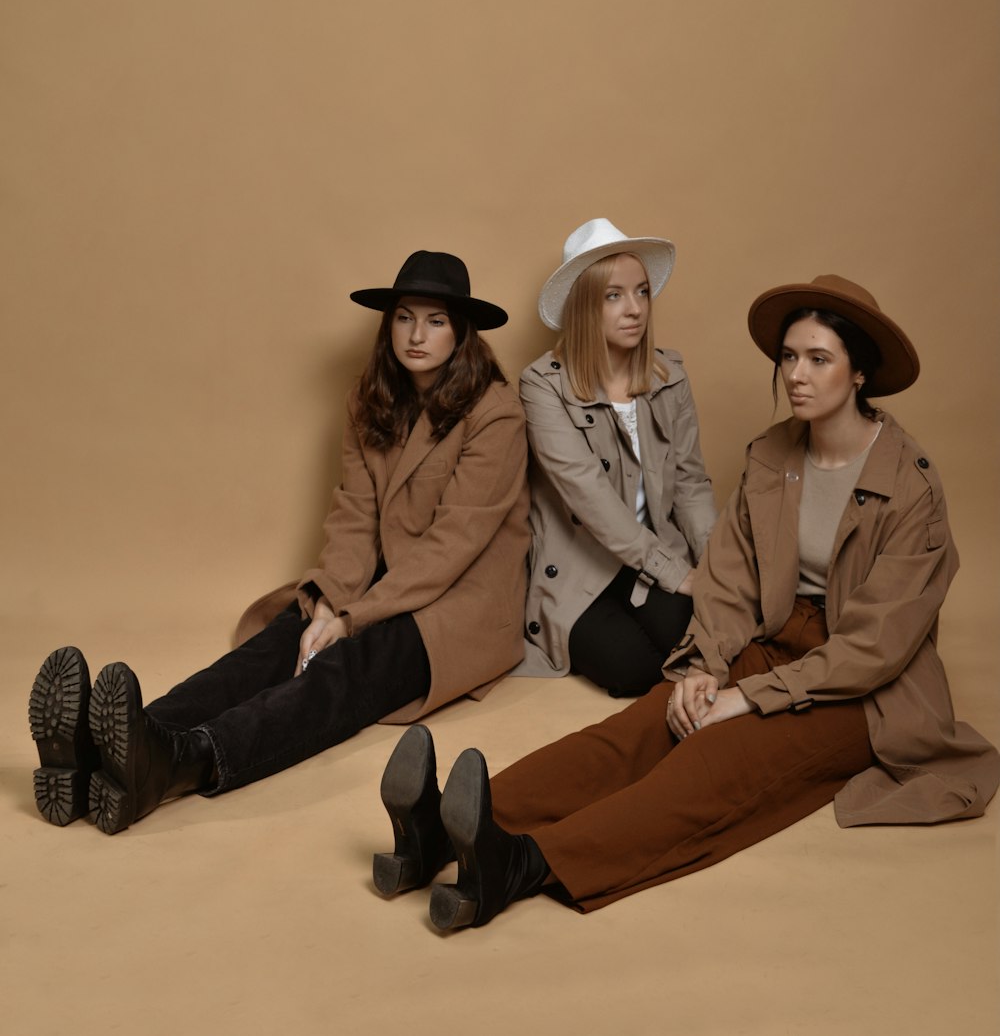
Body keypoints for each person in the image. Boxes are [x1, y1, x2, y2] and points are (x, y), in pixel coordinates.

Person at [371, 274, 999, 928]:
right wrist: (706, 668)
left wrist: (745, 697)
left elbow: (877, 647)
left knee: (709, 763)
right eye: (788, 357)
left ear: (860, 374)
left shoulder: (911, 486)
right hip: (773, 640)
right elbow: (729, 579)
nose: (796, 375)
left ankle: (517, 865)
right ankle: (436, 832)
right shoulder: (771, 455)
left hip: (865, 689)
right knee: (641, 729)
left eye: (819, 359)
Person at [29, 251, 531, 835]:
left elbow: (453, 544)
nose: (417, 335)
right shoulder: (371, 398)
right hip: (376, 580)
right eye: (404, 317)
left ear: (462, 331)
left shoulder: (495, 413)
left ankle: (177, 765)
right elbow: (353, 515)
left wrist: (351, 617)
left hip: (457, 605)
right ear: (387, 324)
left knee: (342, 671)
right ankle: (112, 746)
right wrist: (330, 601)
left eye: (436, 320)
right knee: (276, 644)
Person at [512, 218, 716, 697]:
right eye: (614, 296)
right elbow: (590, 497)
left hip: (658, 550)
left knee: (699, 642)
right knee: (633, 672)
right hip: (583, 565)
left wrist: (713, 570)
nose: (635, 309)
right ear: (584, 305)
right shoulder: (543, 386)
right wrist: (675, 574)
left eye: (642, 292)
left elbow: (691, 483)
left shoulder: (671, 377)